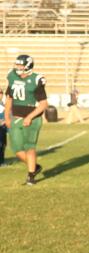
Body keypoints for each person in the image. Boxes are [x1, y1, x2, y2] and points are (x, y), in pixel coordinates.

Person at [4, 54, 47, 185]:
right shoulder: (12, 77)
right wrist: (7, 117)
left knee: (29, 146)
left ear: (28, 66)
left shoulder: (36, 80)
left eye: (21, 65)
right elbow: (9, 98)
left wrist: (30, 117)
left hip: (33, 119)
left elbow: (44, 104)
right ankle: (35, 166)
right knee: (16, 149)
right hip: (16, 118)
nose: (18, 67)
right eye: (17, 65)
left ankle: (30, 175)